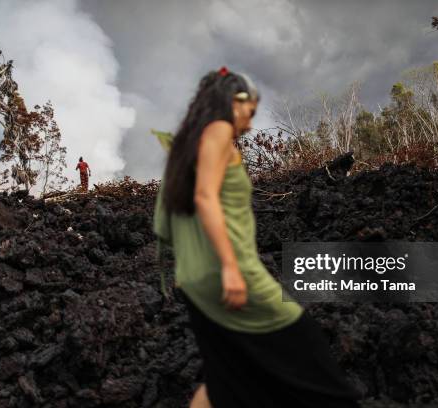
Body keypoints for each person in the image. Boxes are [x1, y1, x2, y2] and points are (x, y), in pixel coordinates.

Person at [153, 66, 362, 408]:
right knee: (312, 354)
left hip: (194, 281)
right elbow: (205, 197)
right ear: (234, 102)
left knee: (225, 387)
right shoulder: (218, 130)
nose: (250, 125)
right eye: (250, 112)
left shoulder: (185, 149)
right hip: (229, 273)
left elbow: (176, 218)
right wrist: (231, 269)